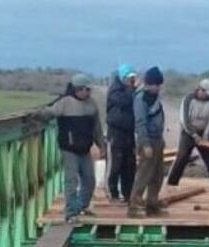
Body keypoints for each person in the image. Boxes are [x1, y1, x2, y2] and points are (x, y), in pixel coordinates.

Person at [39, 73, 105, 224]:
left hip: (85, 149)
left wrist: (101, 145)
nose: (89, 93)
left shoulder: (91, 104)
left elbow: (97, 128)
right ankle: (70, 213)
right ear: (78, 89)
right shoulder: (65, 103)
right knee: (71, 180)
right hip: (69, 149)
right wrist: (36, 115)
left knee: (89, 179)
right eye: (87, 90)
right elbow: (49, 113)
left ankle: (81, 206)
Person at [166, 78, 209, 190]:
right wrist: (195, 136)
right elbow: (184, 120)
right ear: (200, 90)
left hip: (204, 131)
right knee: (182, 156)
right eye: (206, 93)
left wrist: (205, 136)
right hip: (189, 132)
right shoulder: (188, 99)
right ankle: (172, 183)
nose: (208, 96)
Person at [128, 66, 166, 217]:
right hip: (148, 141)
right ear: (149, 84)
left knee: (157, 174)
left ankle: (152, 204)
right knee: (144, 174)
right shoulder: (141, 99)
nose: (158, 88)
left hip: (158, 139)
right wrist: (145, 144)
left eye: (159, 85)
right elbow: (140, 123)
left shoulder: (154, 98)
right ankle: (134, 205)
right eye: (155, 85)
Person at [105, 63, 138, 203]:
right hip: (116, 133)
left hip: (129, 133)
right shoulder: (115, 91)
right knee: (114, 165)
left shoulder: (131, 91)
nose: (132, 80)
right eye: (130, 78)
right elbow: (124, 101)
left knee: (129, 166)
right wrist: (132, 89)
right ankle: (112, 193)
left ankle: (128, 194)